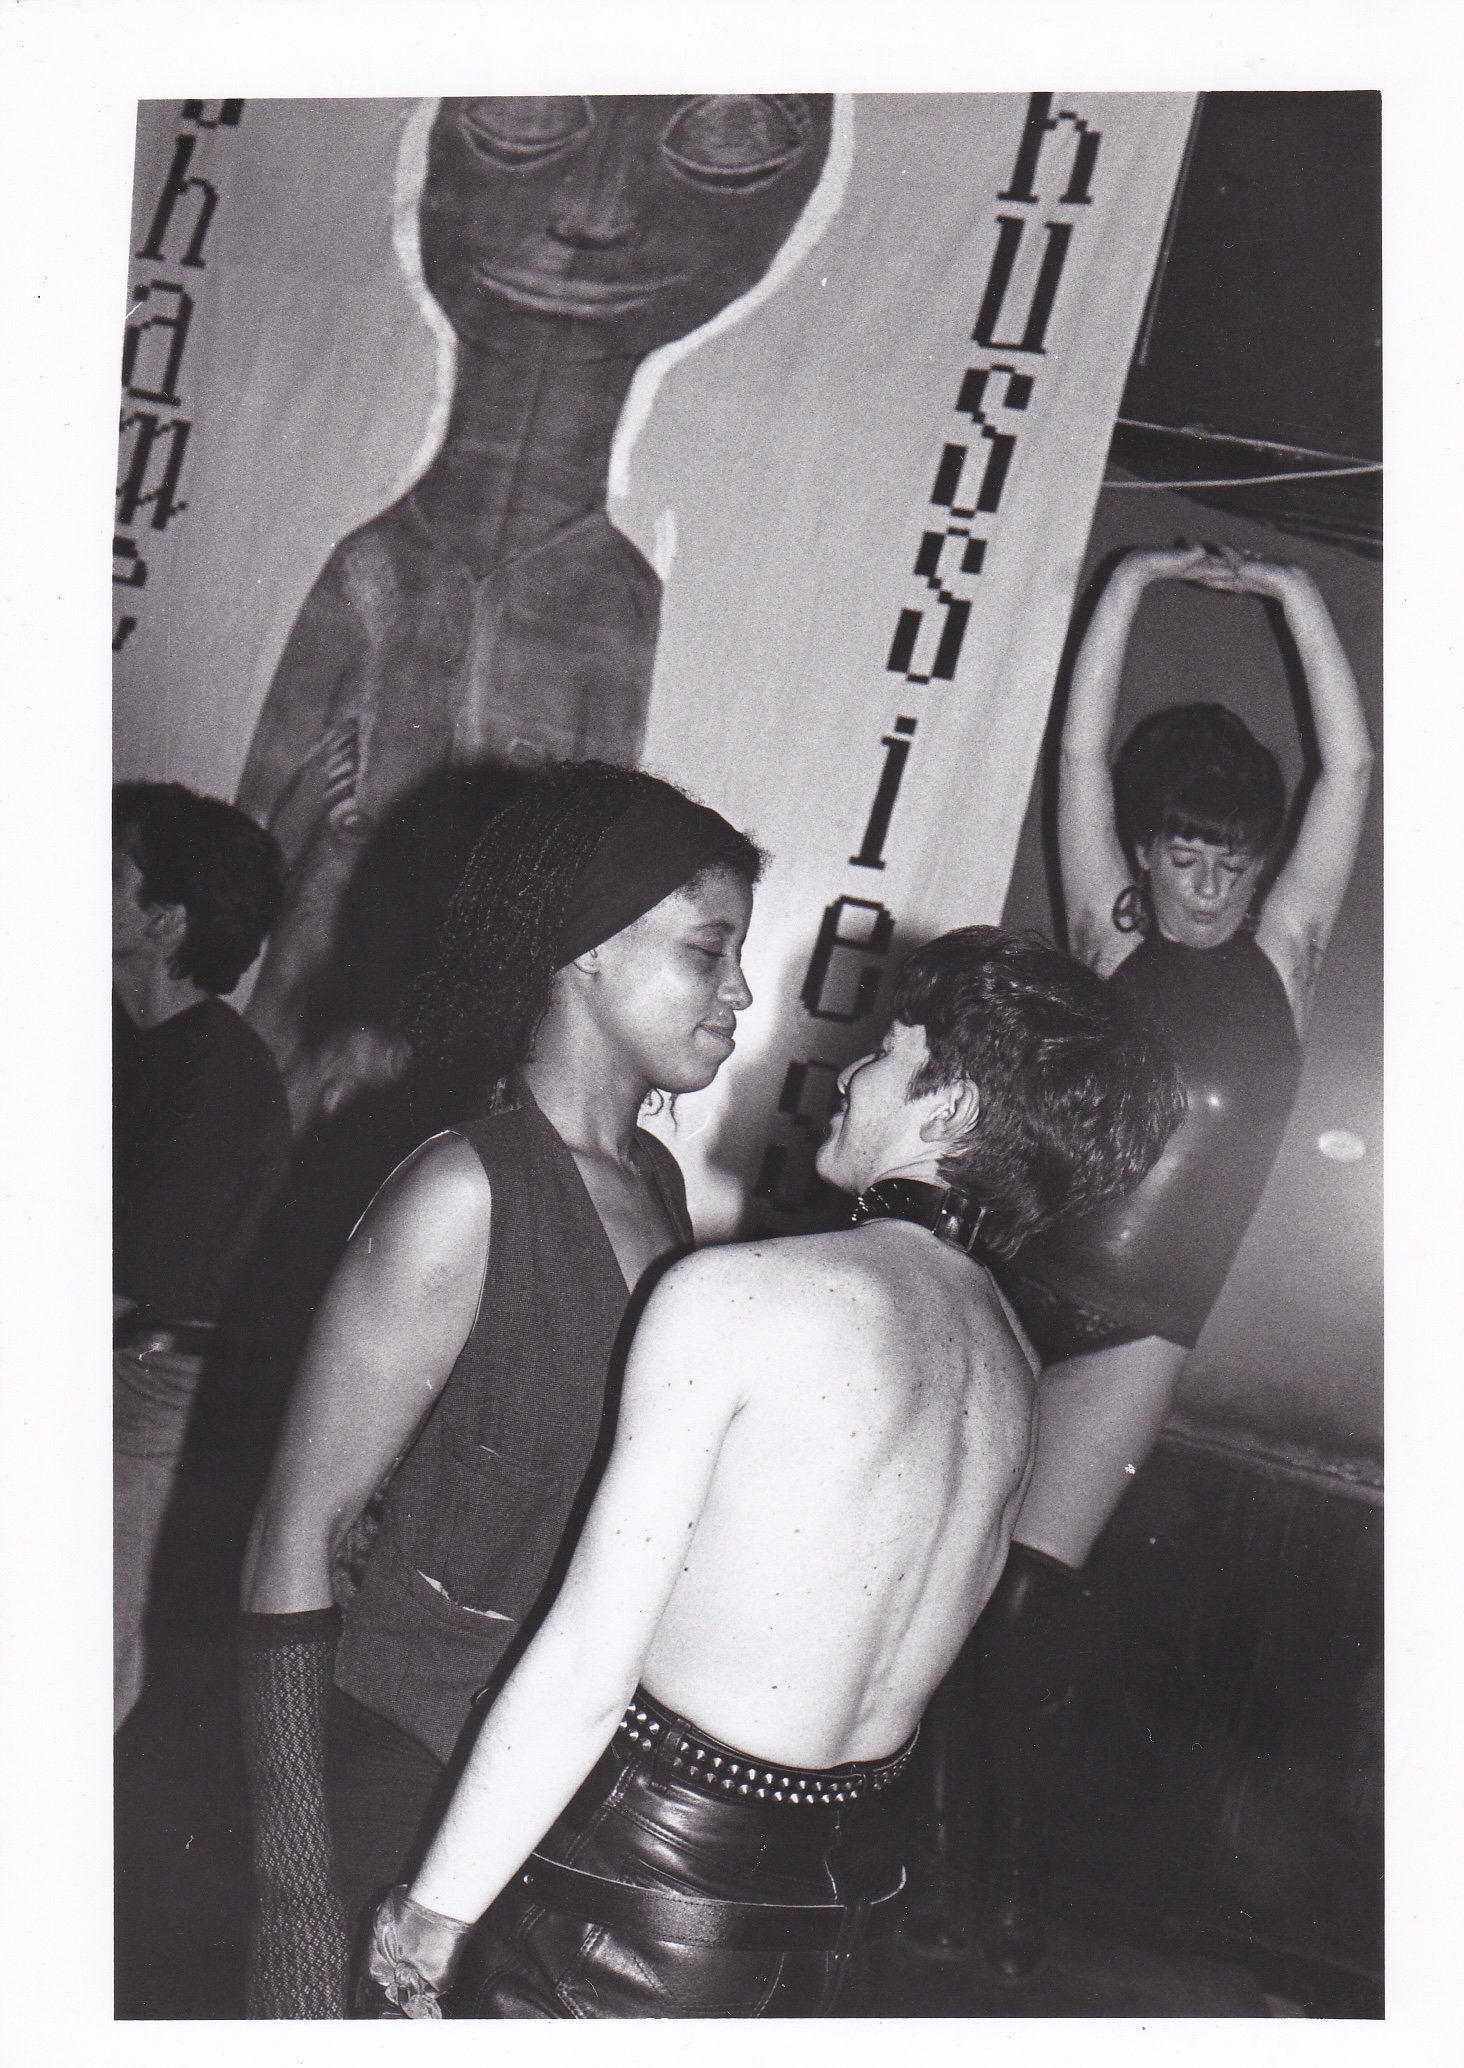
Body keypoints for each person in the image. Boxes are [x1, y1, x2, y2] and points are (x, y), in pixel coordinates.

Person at [349, 926, 1183, 2020]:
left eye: (885, 1051)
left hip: (628, 1919)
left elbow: (585, 1670)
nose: (847, 1074)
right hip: (834, 1942)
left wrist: (428, 1923)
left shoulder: (741, 1298)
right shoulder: (1012, 1367)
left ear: (951, 1108)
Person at [236, 762, 762, 2018]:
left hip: (542, 1800)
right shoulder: (462, 1193)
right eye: (709, 951)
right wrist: (299, 1889)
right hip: (392, 1788)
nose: (742, 990)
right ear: (583, 950)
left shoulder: (656, 1187)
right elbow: (290, 1536)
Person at [926, 543, 1374, 1979]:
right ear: (1144, 848)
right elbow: (1075, 748)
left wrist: (1292, 597)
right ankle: (889, 1858)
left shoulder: (1285, 954)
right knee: (929, 1575)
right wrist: (1138, 579)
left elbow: (1351, 771)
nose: (1205, 885)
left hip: (1132, 1333)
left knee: (1021, 1607)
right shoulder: (1108, 936)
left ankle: (992, 1898)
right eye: (1183, 853)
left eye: (1231, 861)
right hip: (1013, 1285)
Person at [235, 95, 834, 1120]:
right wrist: (319, 828)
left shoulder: (612, 598)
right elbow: (249, 846)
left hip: (449, 1048)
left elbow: (587, 886)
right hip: (308, 1005)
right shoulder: (376, 565)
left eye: (727, 146)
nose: (594, 216)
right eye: (521, 122)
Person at [113, 782, 291, 1731]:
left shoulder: (225, 1082)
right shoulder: (115, 1032)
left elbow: (124, 1293)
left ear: (164, 919)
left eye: (108, 870)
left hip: (147, 1392)